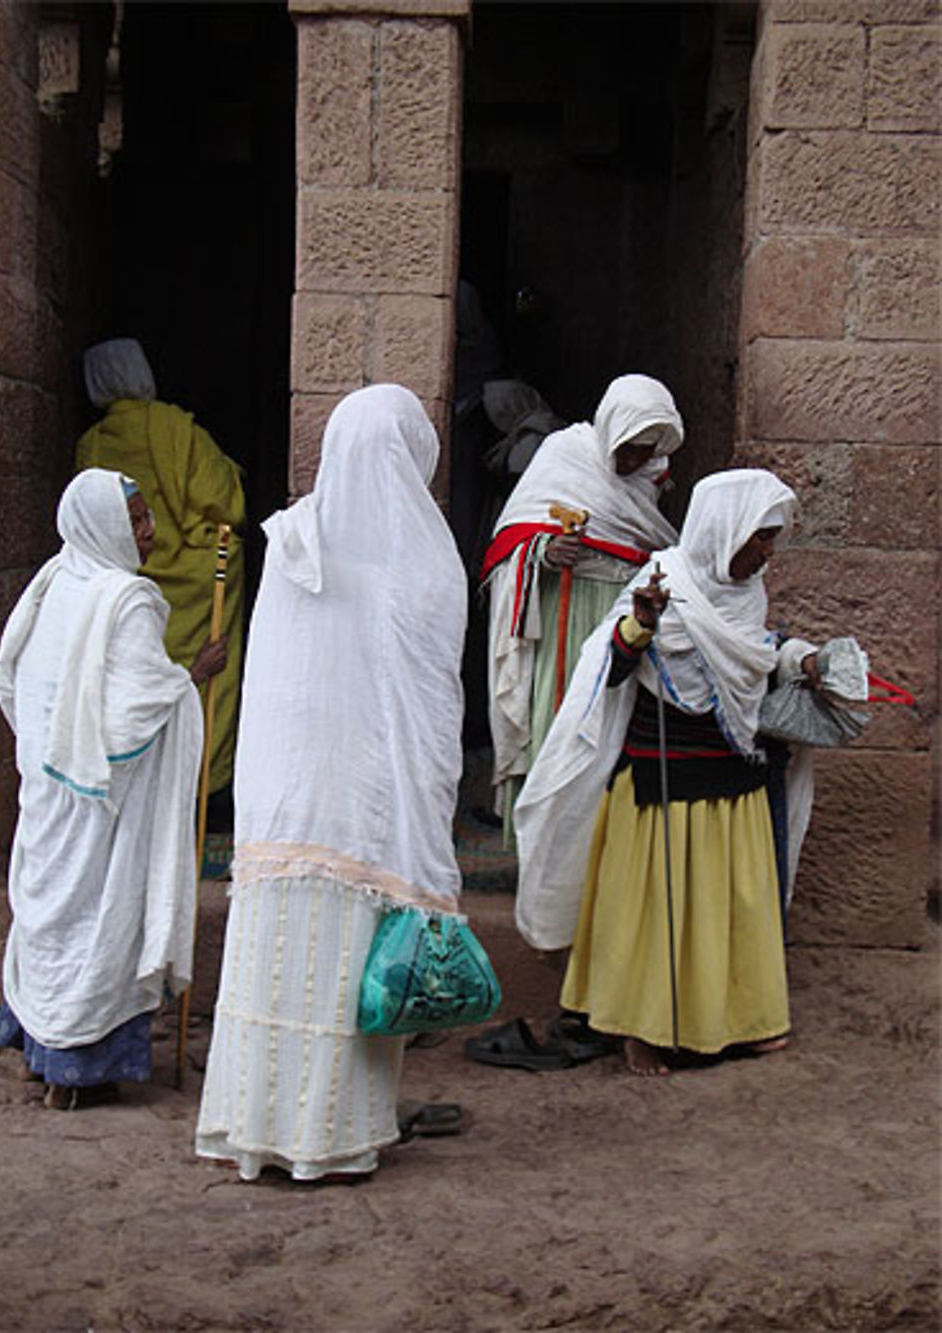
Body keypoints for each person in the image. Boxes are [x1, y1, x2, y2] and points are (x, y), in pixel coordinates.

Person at [195, 384, 467, 1182]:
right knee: (343, 980)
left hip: (284, 804)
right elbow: (429, 709)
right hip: (361, 814)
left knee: (276, 967)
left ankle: (254, 1129)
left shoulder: (293, 541)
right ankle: (334, 1138)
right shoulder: (422, 564)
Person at [514, 469, 819, 1075]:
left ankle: (742, 1022)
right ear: (723, 530)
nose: (766, 551)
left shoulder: (744, 594)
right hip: (663, 787)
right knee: (657, 915)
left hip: (733, 782)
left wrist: (800, 657)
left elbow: (755, 650)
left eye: (770, 538)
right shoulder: (663, 585)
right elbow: (614, 666)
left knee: (733, 911)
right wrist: (642, 622)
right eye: (759, 536)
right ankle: (641, 1029)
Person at [0, 468, 227, 1108]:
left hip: (46, 788)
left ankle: (40, 1055)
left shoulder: (54, 580)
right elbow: (131, 720)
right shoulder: (126, 601)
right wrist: (195, 677)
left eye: (148, 519)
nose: (150, 535)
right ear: (102, 526)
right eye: (137, 522)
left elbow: (12, 677)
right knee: (98, 920)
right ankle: (77, 1072)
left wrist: (46, 748)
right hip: (98, 801)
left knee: (49, 921)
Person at [481, 373, 684, 839]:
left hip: (621, 615)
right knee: (561, 721)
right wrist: (546, 553)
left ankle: (595, 842)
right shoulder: (565, 455)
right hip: (562, 617)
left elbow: (647, 539)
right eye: (628, 447)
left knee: (610, 726)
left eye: (645, 451)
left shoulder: (650, 477)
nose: (633, 460)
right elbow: (510, 539)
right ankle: (542, 840)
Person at [76, 337, 245, 796]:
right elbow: (224, 504)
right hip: (196, 579)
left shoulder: (91, 445)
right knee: (209, 680)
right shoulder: (178, 428)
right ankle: (203, 781)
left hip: (128, 578)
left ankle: (143, 782)